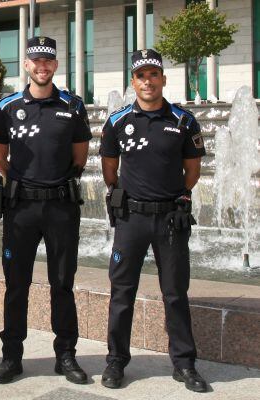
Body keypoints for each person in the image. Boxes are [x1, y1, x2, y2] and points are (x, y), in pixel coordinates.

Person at [99, 48, 208, 393]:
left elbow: (192, 171)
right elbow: (109, 169)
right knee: (122, 292)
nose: (148, 81)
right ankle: (116, 361)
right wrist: (122, 195)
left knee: (175, 293)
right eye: (141, 76)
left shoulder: (183, 120)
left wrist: (173, 195)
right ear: (133, 81)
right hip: (131, 218)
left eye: (153, 74)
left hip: (170, 220)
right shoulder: (117, 121)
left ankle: (184, 363)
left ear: (163, 79)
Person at [0, 36, 92, 385]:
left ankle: (66, 356)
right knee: (16, 285)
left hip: (61, 207)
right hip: (21, 208)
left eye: (49, 61)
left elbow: (80, 157)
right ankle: (11, 357)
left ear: (56, 66)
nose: (43, 66)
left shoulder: (73, 107)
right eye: (36, 61)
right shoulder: (6, 107)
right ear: (27, 65)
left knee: (62, 283)